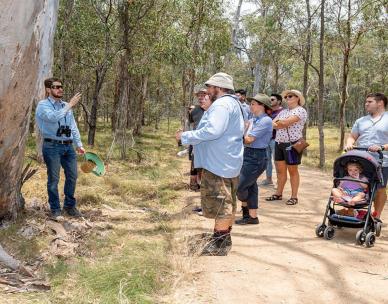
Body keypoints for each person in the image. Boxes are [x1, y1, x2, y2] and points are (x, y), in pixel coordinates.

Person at [176, 72, 244, 256]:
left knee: (221, 203)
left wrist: (185, 136)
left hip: (218, 163)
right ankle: (222, 237)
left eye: (209, 87)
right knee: (228, 201)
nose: (207, 91)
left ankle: (219, 245)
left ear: (218, 88)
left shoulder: (222, 105)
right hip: (228, 161)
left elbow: (212, 131)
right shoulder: (235, 103)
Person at [36, 78, 85, 219]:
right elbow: (53, 117)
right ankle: (55, 209)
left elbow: (72, 126)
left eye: (61, 87)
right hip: (52, 146)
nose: (60, 89)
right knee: (53, 179)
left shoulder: (65, 106)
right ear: (48, 90)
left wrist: (79, 144)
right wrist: (70, 105)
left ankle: (69, 206)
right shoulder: (43, 105)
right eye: (56, 87)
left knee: (72, 176)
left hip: (68, 146)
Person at [345, 92, 388, 220]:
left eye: (370, 102)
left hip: (382, 161)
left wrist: (382, 147)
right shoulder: (361, 120)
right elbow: (352, 136)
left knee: (380, 189)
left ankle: (376, 216)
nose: (366, 104)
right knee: (357, 184)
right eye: (366, 102)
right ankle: (353, 212)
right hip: (361, 161)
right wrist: (349, 143)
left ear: (380, 103)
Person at [235, 94, 273, 225]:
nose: (250, 106)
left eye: (253, 104)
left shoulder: (265, 121)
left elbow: (249, 139)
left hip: (256, 157)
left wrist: (233, 134)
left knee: (240, 187)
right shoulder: (253, 119)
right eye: (250, 103)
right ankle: (251, 217)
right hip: (247, 154)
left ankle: (246, 213)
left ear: (262, 106)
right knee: (250, 186)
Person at [265, 89, 307, 205]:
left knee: (293, 171)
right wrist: (277, 123)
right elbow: (273, 123)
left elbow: (283, 123)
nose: (288, 98)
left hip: (292, 144)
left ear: (298, 98)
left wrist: (278, 123)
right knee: (280, 170)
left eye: (290, 96)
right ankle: (278, 193)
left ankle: (294, 196)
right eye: (287, 97)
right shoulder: (283, 111)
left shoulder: (300, 111)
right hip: (279, 143)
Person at [261, 93, 283, 186]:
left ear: (279, 101)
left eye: (273, 99)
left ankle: (279, 182)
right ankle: (268, 179)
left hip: (276, 140)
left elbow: (278, 125)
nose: (271, 101)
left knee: (277, 161)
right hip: (267, 139)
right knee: (267, 160)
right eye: (270, 100)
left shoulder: (283, 112)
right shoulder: (267, 111)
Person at [188, 88, 207, 191]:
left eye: (203, 95)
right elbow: (192, 124)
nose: (201, 97)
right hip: (196, 141)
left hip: (208, 142)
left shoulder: (213, 109)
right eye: (199, 95)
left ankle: (205, 186)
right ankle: (195, 185)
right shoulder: (194, 110)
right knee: (195, 162)